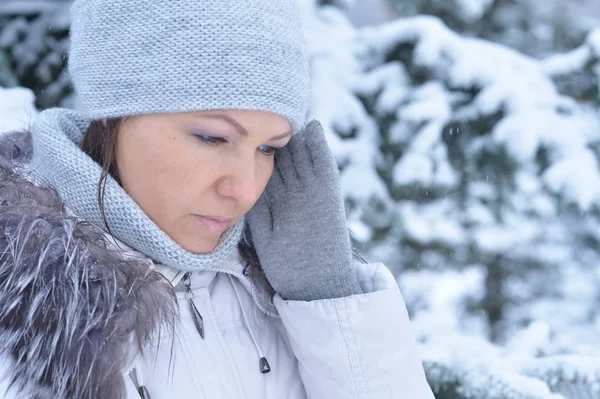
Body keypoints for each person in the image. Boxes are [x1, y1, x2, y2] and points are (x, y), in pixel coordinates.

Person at [0, 0, 435, 398]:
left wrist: (327, 303)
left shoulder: (276, 280)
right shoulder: (18, 303)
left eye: (270, 148)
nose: (246, 191)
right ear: (112, 112)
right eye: (212, 137)